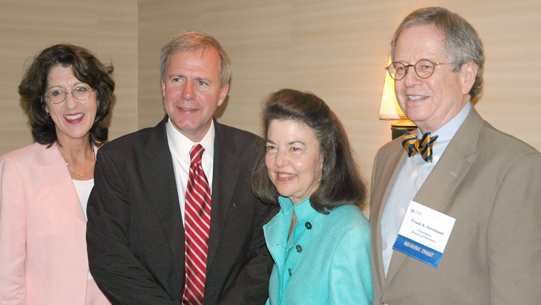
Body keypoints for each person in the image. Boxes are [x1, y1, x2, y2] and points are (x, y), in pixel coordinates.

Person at [86, 31, 276, 305]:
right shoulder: (119, 160)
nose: (188, 94)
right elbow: (109, 257)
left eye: (202, 82)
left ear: (222, 92)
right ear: (163, 85)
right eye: (177, 80)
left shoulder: (255, 157)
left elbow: (266, 252)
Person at [370, 7, 541, 305]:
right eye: (401, 67)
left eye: (425, 66)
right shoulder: (386, 158)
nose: (409, 80)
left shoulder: (515, 168)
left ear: (466, 76)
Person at [0, 44, 114, 305]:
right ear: (44, 104)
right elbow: (7, 279)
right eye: (57, 93)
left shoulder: (119, 165)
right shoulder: (17, 170)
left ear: (98, 96)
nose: (71, 103)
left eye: (81, 89)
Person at [251, 89, 372, 305]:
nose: (279, 161)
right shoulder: (286, 213)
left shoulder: (351, 235)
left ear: (324, 156)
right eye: (272, 147)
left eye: (295, 148)